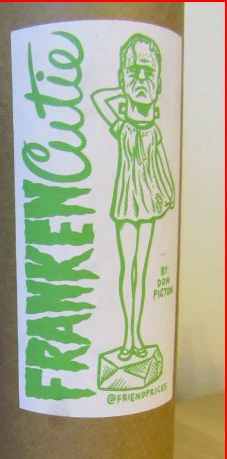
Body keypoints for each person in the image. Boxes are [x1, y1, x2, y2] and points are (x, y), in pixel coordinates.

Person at [91, 34, 175, 360]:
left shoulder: (153, 130)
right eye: (133, 72)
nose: (141, 79)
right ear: (123, 78)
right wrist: (125, 88)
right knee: (129, 270)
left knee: (142, 268)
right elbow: (99, 98)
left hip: (148, 204)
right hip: (127, 203)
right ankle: (128, 339)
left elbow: (161, 170)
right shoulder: (124, 126)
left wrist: (166, 197)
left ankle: (136, 337)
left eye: (148, 73)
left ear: (158, 82)